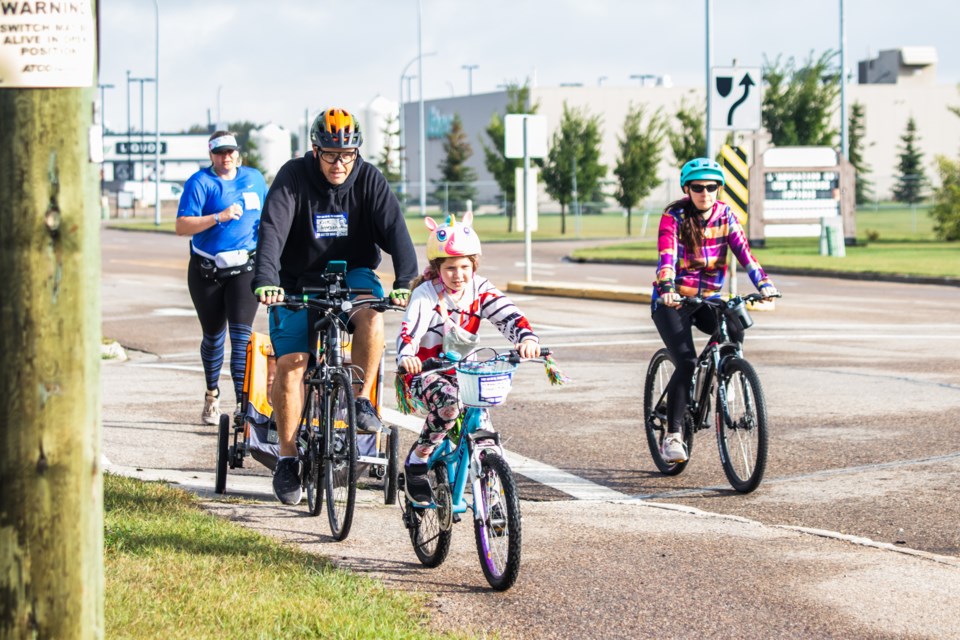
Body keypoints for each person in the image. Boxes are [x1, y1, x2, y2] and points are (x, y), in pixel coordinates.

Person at [252, 107, 418, 505]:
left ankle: (360, 399)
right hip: (296, 283)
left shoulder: (368, 178)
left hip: (353, 274)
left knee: (372, 317)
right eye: (330, 154)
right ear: (315, 151)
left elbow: (396, 229)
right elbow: (272, 229)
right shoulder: (292, 178)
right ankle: (289, 458)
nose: (340, 163)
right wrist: (266, 281)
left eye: (347, 155)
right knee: (292, 364)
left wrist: (405, 281)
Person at [396, 213, 540, 506]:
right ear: (438, 269)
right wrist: (407, 356)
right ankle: (418, 459)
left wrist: (526, 338)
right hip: (425, 374)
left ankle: (495, 498)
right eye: (450, 268)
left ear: (474, 265)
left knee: (483, 424)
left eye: (465, 267)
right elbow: (409, 331)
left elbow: (508, 314)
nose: (458, 275)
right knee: (449, 406)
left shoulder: (480, 289)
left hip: (464, 373)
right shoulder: (425, 294)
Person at [651, 157, 779, 464]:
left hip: (709, 297)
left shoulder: (725, 215)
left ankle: (728, 375)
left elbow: (744, 253)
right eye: (698, 187)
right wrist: (667, 287)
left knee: (736, 324)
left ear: (718, 189)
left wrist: (764, 284)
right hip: (675, 299)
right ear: (687, 189)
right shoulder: (674, 216)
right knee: (686, 361)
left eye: (711, 187)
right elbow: (666, 256)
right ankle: (673, 434)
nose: (705, 193)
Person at [176, 131, 267, 424]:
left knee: (242, 339)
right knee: (214, 337)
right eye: (219, 153)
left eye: (230, 152)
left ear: (237, 154)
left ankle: (243, 407)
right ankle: (212, 394)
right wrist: (219, 217)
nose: (225, 157)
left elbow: (269, 216)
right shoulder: (200, 183)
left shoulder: (254, 179)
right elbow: (181, 226)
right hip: (208, 271)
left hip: (245, 268)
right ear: (211, 155)